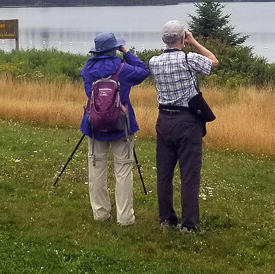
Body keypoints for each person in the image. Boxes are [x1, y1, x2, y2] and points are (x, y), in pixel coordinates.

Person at [149, 20, 218, 232]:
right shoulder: (189, 59)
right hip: (187, 122)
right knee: (189, 174)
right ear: (182, 39)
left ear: (163, 40)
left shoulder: (154, 62)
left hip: (164, 120)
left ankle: (167, 220)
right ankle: (188, 224)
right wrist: (194, 41)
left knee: (164, 173)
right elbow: (213, 61)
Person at [79, 32, 150, 226]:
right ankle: (125, 217)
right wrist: (126, 52)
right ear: (115, 49)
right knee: (123, 169)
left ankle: (100, 213)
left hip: (94, 126)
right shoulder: (123, 69)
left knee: (96, 168)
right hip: (122, 126)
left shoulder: (87, 69)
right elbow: (143, 70)